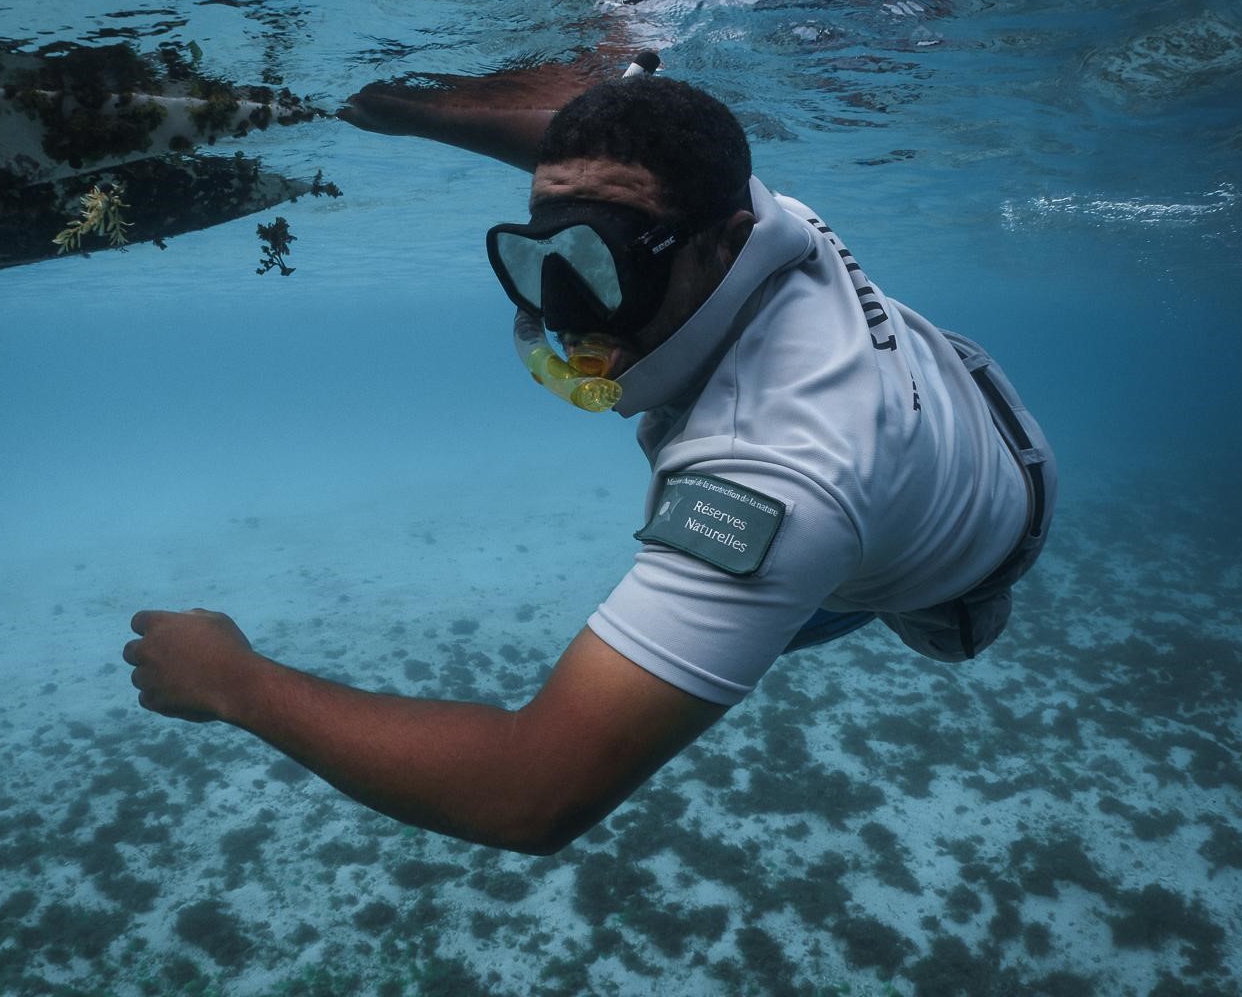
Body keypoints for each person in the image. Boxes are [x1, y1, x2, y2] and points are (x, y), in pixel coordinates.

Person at [123, 67, 1055, 856]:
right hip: (963, 404)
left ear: (723, 246)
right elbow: (588, 168)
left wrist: (231, 683)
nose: (563, 309)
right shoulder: (723, 205)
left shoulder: (773, 474)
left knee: (783, 614)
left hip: (964, 558)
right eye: (542, 252)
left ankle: (937, 614)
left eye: (605, 259)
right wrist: (413, 114)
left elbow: (528, 795)